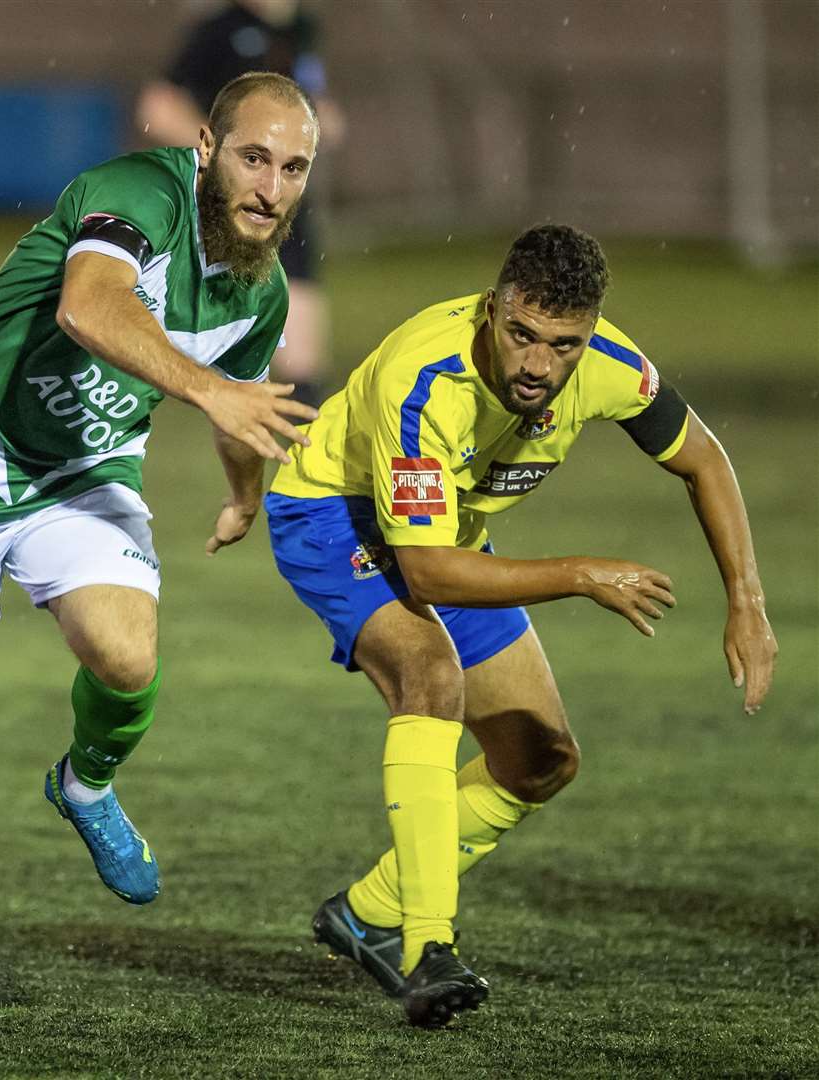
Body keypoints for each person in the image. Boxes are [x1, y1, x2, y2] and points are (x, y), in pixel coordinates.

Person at [0, 72, 320, 1005]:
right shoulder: (135, 194)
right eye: (253, 158)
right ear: (205, 149)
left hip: (82, 468)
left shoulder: (257, 291)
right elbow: (88, 307)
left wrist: (243, 495)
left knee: (126, 657)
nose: (270, 187)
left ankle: (84, 785)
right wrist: (207, 389)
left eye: (294, 167)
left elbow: (243, 410)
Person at [264, 224, 777, 1028]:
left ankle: (366, 912)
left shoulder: (606, 366)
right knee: (428, 676)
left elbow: (703, 458)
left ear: (590, 333)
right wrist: (578, 575)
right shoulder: (424, 381)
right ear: (492, 308)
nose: (538, 364)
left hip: (447, 528)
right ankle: (425, 946)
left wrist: (747, 603)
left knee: (538, 761)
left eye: (563, 345)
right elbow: (427, 574)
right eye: (521, 335)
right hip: (334, 515)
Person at [136, 0, 345, 406]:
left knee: (303, 374)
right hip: (226, 213)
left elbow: (307, 99)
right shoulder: (220, 30)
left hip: (284, 208)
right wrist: (222, 159)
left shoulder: (301, 28)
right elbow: (157, 109)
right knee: (226, 365)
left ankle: (300, 463)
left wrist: (320, 122)